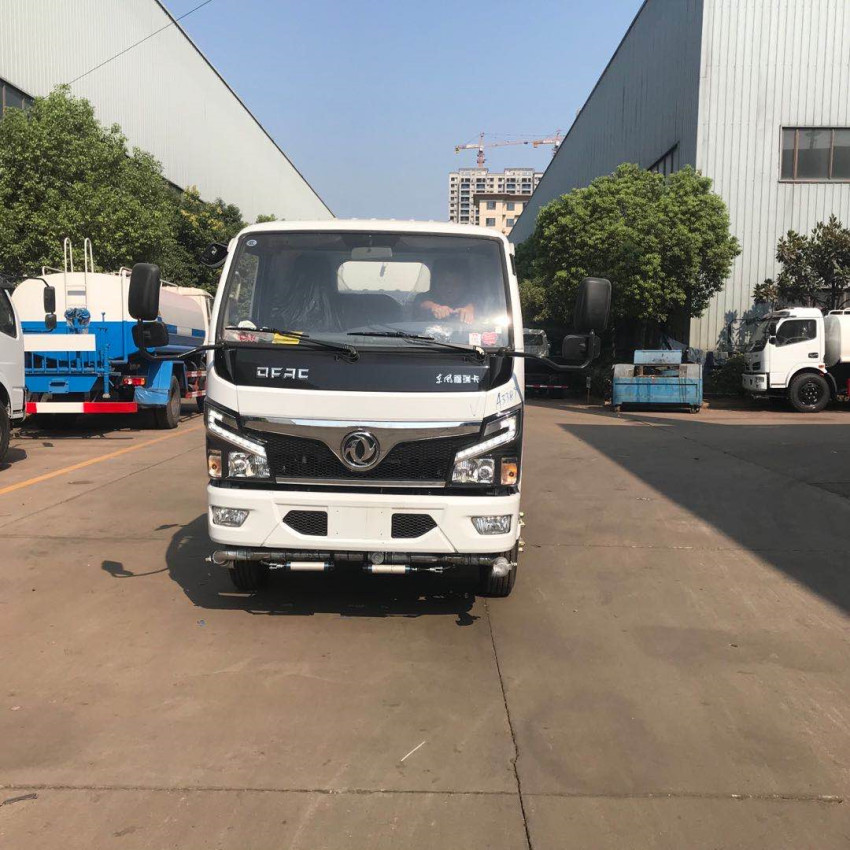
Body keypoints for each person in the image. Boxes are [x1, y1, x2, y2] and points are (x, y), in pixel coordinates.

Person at [417, 257, 477, 324]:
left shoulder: (472, 299)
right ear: (436, 284)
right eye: (444, 283)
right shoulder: (425, 297)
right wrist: (434, 307)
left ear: (464, 286)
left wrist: (469, 310)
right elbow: (422, 304)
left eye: (456, 284)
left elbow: (476, 304)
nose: (449, 289)